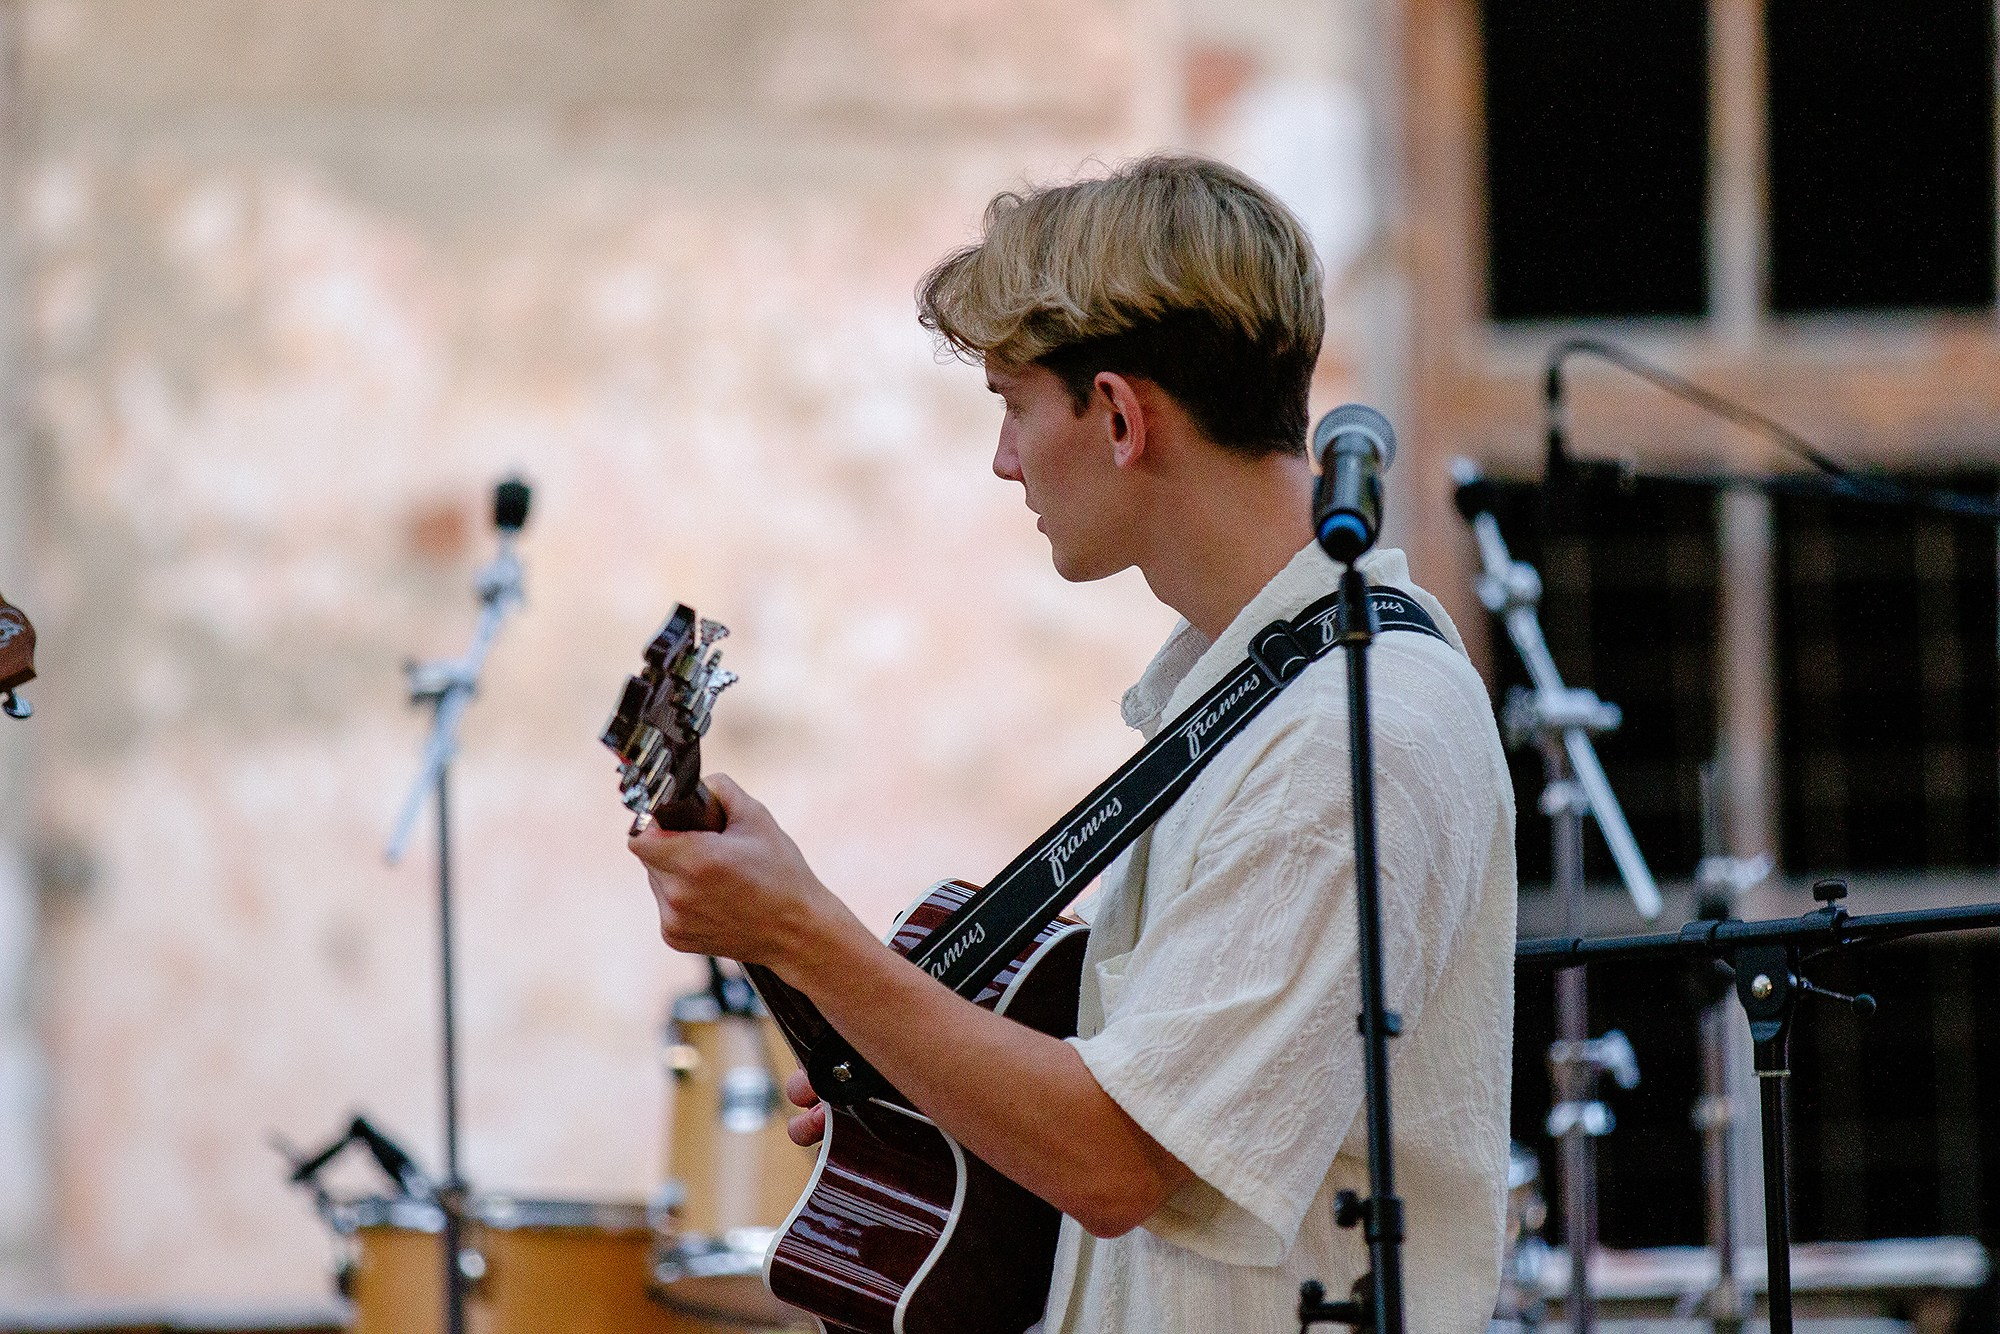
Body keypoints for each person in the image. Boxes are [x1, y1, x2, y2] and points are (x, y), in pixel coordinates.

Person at [629, 154, 1517, 1332]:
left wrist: (804, 931)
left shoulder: (1342, 736)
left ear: (1114, 413)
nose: (1002, 460)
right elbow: (1124, 1118)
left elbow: (1119, 1160)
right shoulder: (1250, 689)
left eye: (1010, 404)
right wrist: (916, 1073)